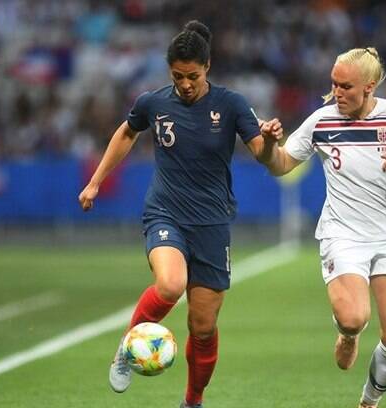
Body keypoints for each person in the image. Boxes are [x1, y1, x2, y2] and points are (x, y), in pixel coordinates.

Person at [78, 20, 281, 408]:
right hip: (166, 213)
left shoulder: (231, 104)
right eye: (177, 76)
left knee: (202, 327)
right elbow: (126, 133)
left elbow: (261, 152)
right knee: (171, 285)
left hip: (212, 223)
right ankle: (126, 347)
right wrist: (96, 181)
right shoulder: (153, 102)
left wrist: (270, 141)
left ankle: (193, 400)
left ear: (207, 68)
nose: (185, 84)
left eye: (192, 76)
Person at [258, 47, 386, 407]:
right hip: (342, 234)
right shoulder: (322, 121)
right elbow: (280, 165)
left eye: (346, 86)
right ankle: (348, 333)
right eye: (334, 84)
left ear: (369, 86)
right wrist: (268, 145)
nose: (337, 93)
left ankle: (369, 401)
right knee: (354, 317)